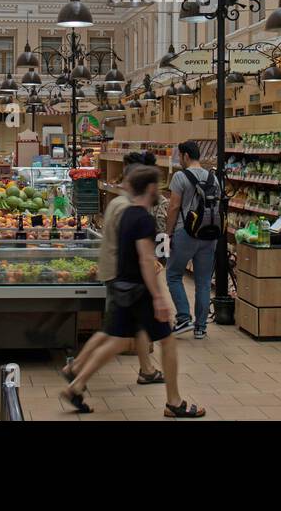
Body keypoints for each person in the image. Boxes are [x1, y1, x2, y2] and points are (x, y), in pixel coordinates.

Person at [60, 166, 205, 418]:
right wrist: (159, 298)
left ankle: (77, 385)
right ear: (150, 188)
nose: (160, 191)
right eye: (158, 186)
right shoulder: (143, 219)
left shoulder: (125, 213)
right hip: (140, 291)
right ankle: (174, 402)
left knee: (114, 340)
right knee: (168, 342)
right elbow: (145, 260)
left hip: (121, 285)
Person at [62, 151, 165, 388]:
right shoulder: (129, 208)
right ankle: (75, 370)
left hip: (117, 272)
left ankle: (146, 369)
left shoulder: (117, 202)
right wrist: (149, 265)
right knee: (112, 333)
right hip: (123, 276)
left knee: (132, 327)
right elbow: (131, 246)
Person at [163, 140, 218, 338]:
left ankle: (184, 317)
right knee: (203, 282)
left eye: (179, 155)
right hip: (209, 234)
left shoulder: (180, 176)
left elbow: (174, 207)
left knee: (173, 275)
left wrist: (168, 233)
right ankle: (201, 328)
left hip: (185, 233)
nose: (179, 159)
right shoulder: (213, 178)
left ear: (186, 156)